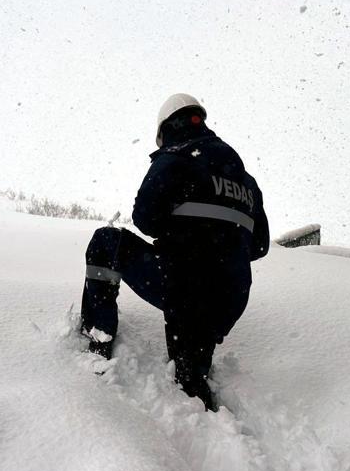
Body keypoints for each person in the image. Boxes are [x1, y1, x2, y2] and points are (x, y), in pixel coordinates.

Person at [79, 93, 269, 411]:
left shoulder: (177, 156)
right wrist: (221, 248)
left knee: (105, 242)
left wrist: (186, 239)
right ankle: (194, 384)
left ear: (166, 128)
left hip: (183, 284)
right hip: (230, 296)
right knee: (190, 369)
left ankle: (98, 335)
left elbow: (145, 219)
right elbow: (260, 245)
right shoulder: (246, 180)